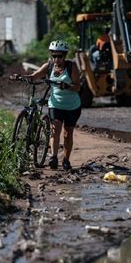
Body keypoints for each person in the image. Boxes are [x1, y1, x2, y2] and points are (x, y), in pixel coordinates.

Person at [13, 40, 81, 170]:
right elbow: (34, 76)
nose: (56, 59)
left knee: (67, 133)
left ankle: (66, 160)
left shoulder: (72, 67)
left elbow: (78, 87)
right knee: (55, 130)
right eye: (54, 56)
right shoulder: (48, 66)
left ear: (64, 56)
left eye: (59, 56)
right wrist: (20, 77)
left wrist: (67, 86)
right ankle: (53, 157)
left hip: (72, 106)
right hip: (55, 104)